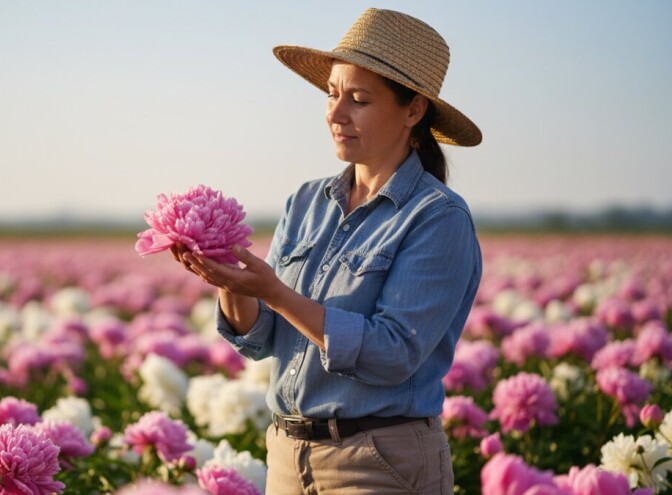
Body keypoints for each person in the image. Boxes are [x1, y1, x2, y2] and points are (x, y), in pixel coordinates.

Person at [174, 8, 482, 494]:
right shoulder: (306, 202)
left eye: (359, 100)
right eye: (332, 94)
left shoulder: (437, 217)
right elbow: (261, 339)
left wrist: (275, 292)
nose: (336, 114)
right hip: (286, 455)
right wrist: (229, 278)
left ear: (413, 111)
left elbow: (392, 353)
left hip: (378, 461)